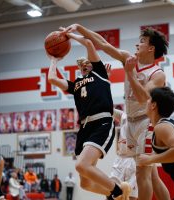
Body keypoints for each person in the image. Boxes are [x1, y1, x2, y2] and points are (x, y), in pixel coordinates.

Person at [63, 24, 170, 200]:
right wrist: (79, 29)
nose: (137, 45)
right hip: (130, 122)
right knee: (151, 175)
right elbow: (103, 43)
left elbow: (143, 98)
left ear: (151, 48)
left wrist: (129, 73)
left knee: (143, 173)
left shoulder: (157, 75)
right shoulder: (128, 58)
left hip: (146, 122)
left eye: (142, 42)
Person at [47, 31, 131, 200]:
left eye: (87, 62)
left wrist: (71, 35)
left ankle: (118, 191)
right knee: (85, 183)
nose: (84, 65)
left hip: (101, 122)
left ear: (94, 64)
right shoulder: (76, 84)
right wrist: (54, 60)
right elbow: (52, 79)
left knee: (81, 165)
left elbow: (89, 44)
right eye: (81, 64)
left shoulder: (100, 73)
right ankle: (113, 195)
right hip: (85, 128)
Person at [138, 87, 174, 200]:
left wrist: (150, 159)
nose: (146, 101)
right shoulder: (165, 126)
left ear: (153, 105)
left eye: (149, 99)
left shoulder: (162, 127)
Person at [111, 108, 138, 200]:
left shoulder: (145, 115)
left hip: (134, 158)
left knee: (131, 196)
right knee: (110, 192)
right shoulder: (123, 115)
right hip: (120, 158)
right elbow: (108, 107)